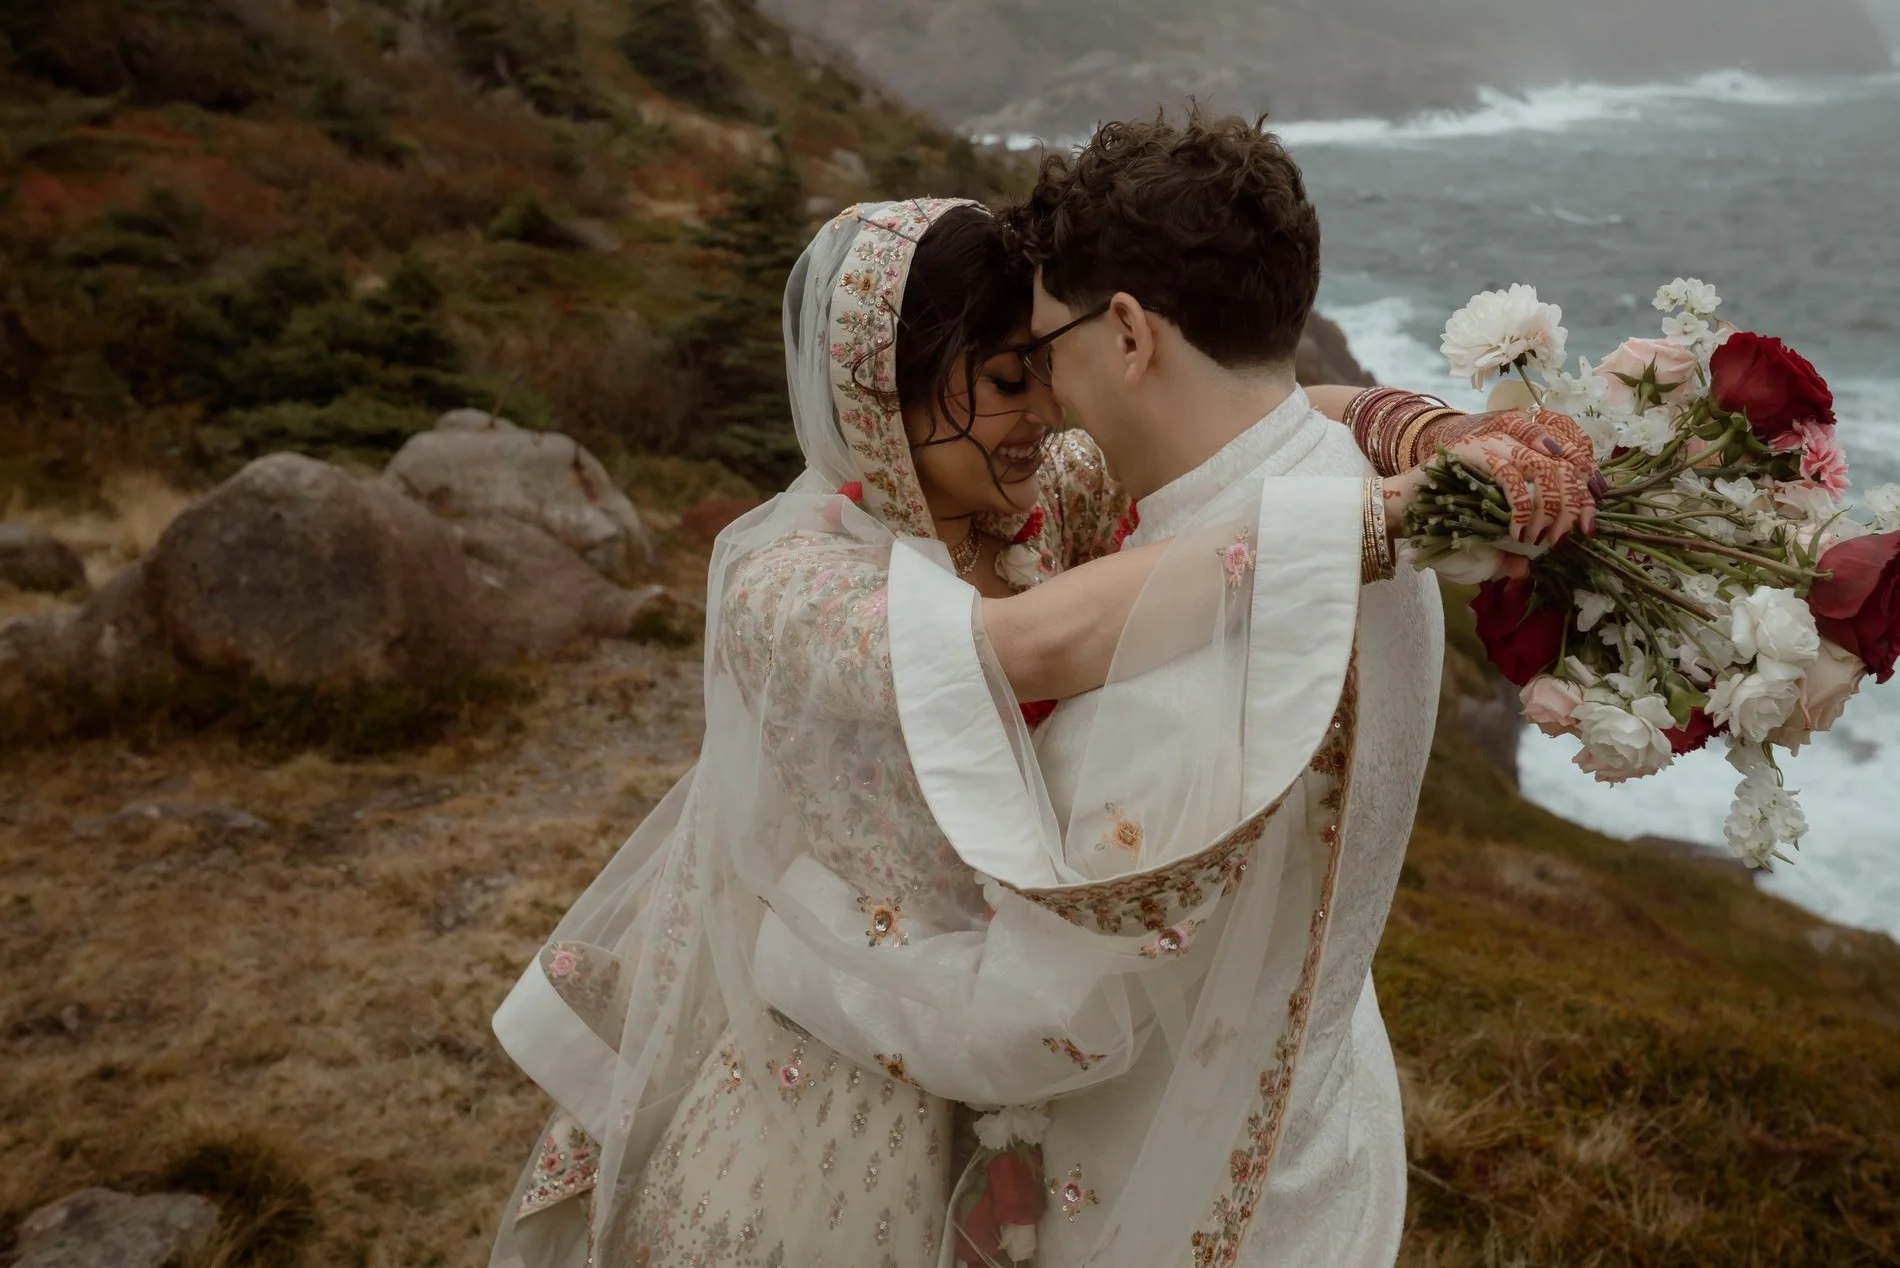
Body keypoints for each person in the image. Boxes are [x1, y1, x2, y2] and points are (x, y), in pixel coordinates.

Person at [487, 198, 1420, 1268]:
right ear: (885, 387)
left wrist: (1436, 432)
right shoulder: (788, 579)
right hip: (852, 1062)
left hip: (1029, 1025)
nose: (1045, 413)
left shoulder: (1036, 496)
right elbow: (1013, 649)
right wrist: (1361, 526)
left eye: (1045, 371)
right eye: (1005, 379)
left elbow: (1276, 409)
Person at [995, 109, 1591, 1268]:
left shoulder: (1181, 655)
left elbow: (1043, 1019)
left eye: (1048, 344)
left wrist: (807, 944)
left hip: (1174, 1198)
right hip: (1325, 1141)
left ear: (1125, 332)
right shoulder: (1345, 485)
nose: (1048, 392)